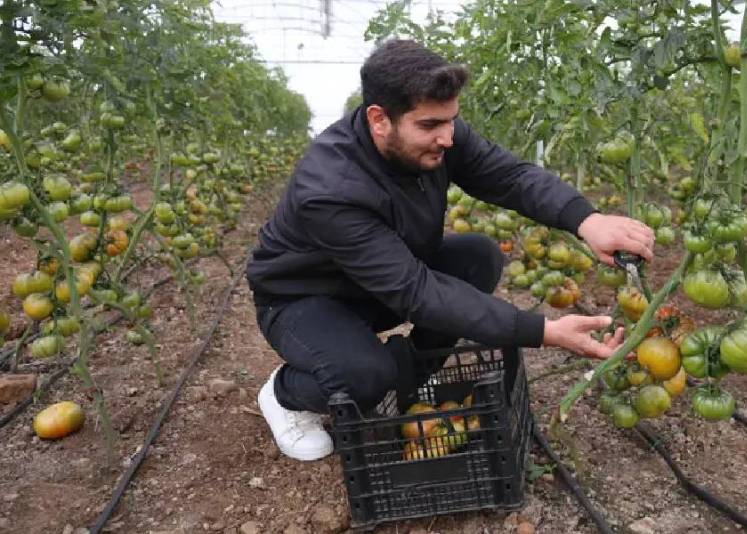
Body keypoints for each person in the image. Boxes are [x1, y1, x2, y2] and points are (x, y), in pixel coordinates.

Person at [246, 39, 655, 461]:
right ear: (379, 119)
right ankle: (285, 396)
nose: (447, 137)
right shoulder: (330, 188)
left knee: (478, 257)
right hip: (304, 298)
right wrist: (543, 332)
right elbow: (416, 292)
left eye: (451, 121)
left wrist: (586, 220)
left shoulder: (441, 137)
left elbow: (510, 178)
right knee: (365, 375)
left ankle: (410, 382)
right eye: (429, 125)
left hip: (375, 282)